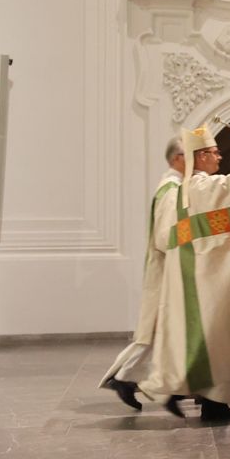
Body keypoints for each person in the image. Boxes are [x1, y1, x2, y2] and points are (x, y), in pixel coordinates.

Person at [139, 125, 230, 421]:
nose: (219, 158)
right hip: (210, 278)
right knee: (218, 336)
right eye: (214, 153)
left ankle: (208, 400)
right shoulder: (203, 187)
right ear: (199, 157)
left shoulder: (181, 191)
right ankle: (206, 402)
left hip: (194, 275)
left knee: (209, 339)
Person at [99, 138, 186, 415]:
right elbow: (165, 236)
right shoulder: (171, 190)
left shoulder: (173, 187)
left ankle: (127, 379)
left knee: (156, 333)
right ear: (177, 158)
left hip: (167, 270)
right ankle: (129, 380)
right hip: (167, 271)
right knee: (155, 332)